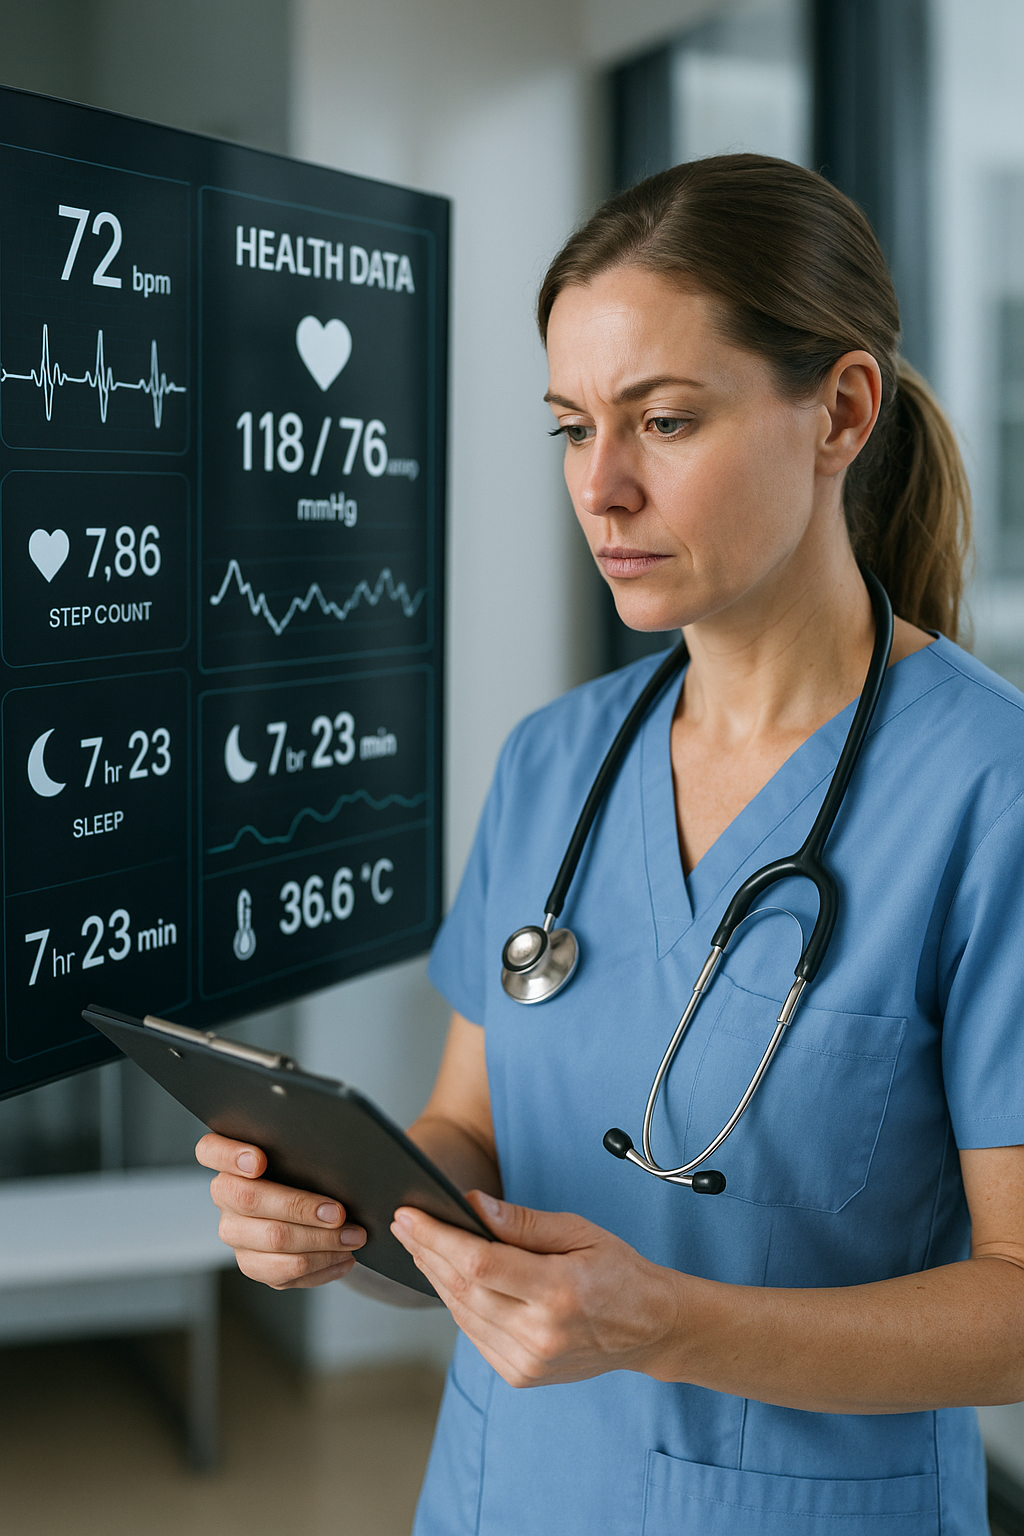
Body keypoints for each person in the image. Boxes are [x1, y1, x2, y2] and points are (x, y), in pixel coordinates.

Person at [197, 155, 1024, 1535]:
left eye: (666, 421)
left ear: (842, 411)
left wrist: (664, 1323)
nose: (604, 489)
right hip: (500, 1492)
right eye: (571, 429)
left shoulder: (990, 794)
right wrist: (355, 1213)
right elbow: (471, 1130)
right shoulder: (554, 761)